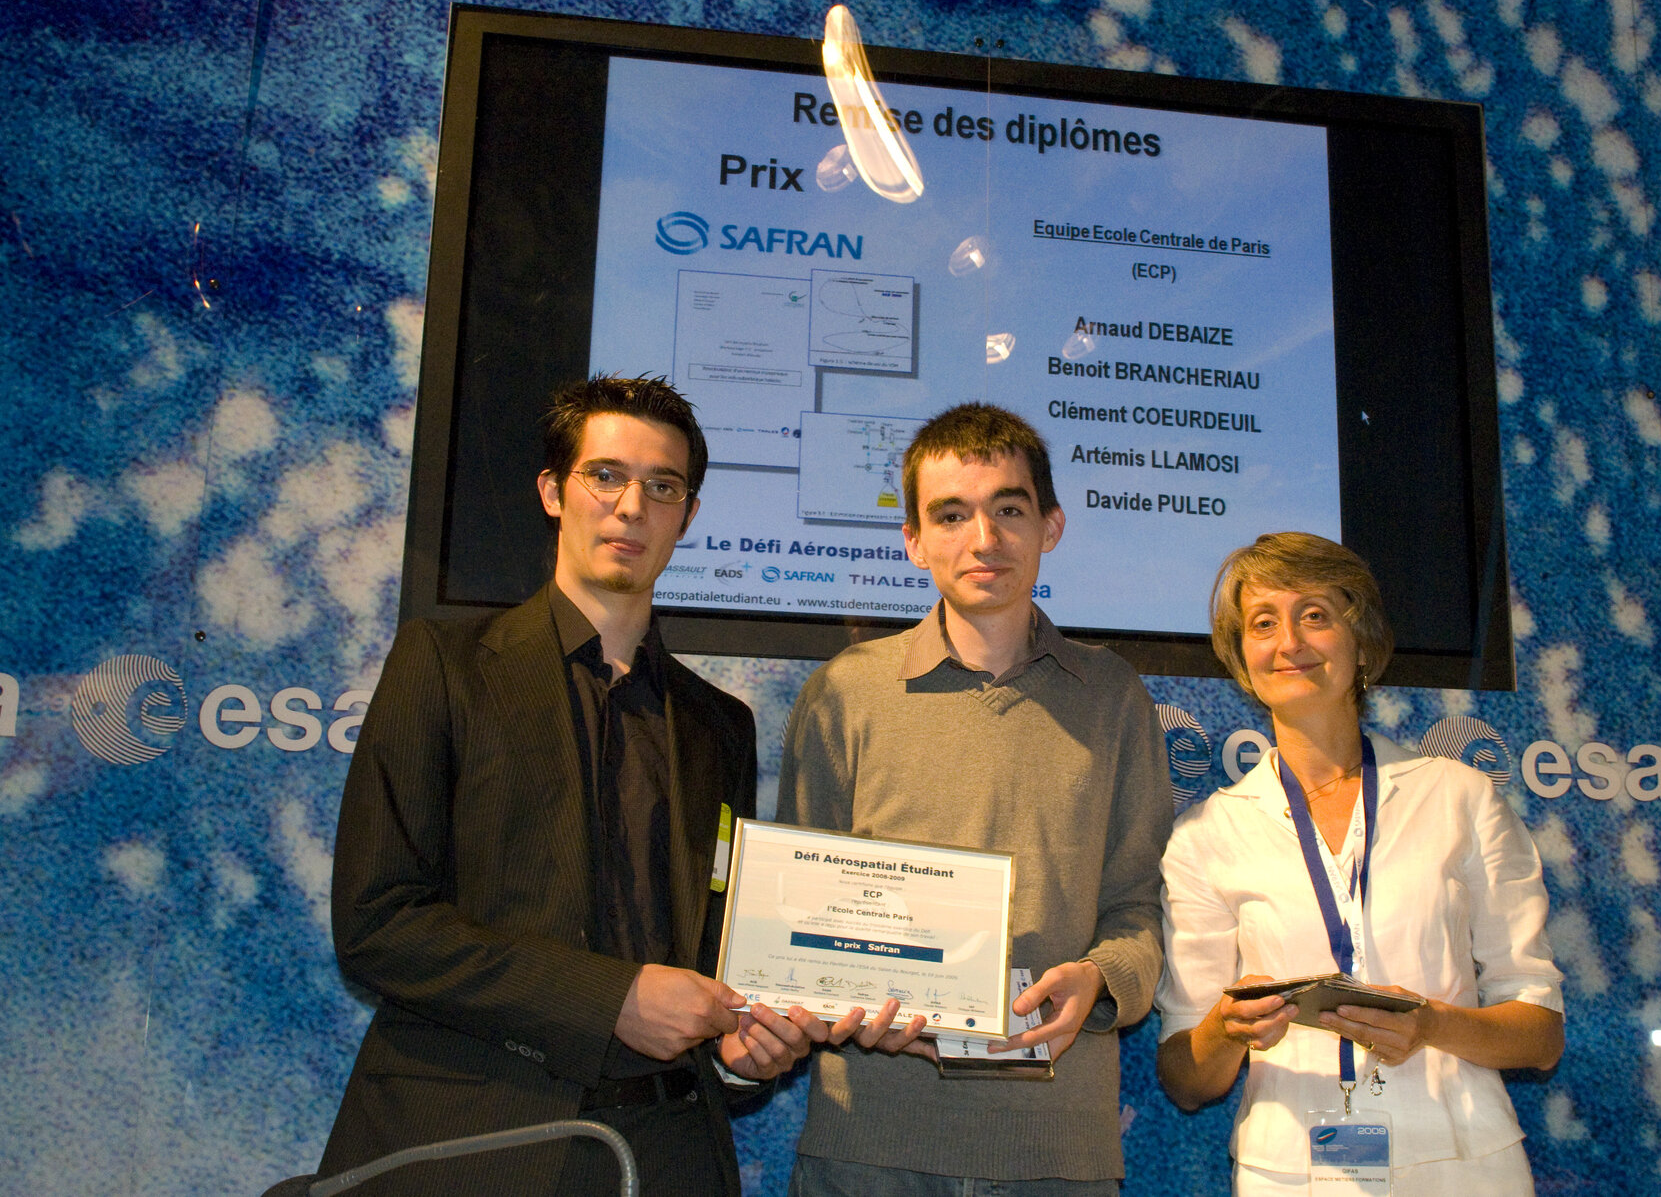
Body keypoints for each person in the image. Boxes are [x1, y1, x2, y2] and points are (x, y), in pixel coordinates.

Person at [319, 376, 844, 1197]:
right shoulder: (444, 666)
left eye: (662, 486)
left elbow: (709, 955)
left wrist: (740, 1051)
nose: (631, 506)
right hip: (477, 1142)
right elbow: (379, 922)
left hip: (671, 1150)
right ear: (553, 492)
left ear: (687, 515)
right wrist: (610, 998)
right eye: (605, 475)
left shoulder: (720, 727)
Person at [777, 402, 1174, 1195]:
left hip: (1055, 1149)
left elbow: (1138, 908)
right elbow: (798, 919)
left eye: (1009, 509)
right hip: (871, 1138)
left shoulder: (1113, 695)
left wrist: (1100, 978)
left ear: (1050, 525)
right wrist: (830, 986)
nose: (984, 540)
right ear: (914, 540)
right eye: (951, 515)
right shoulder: (845, 693)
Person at [1155, 532, 1564, 1196]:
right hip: (1291, 1171)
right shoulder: (1206, 835)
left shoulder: (1459, 797)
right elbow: (1186, 1074)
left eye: (1315, 614)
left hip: (1461, 1159)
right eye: (1263, 622)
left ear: (1362, 641)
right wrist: (1226, 1027)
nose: (1289, 640)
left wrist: (1432, 1023)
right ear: (1243, 658)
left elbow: (1539, 1033)